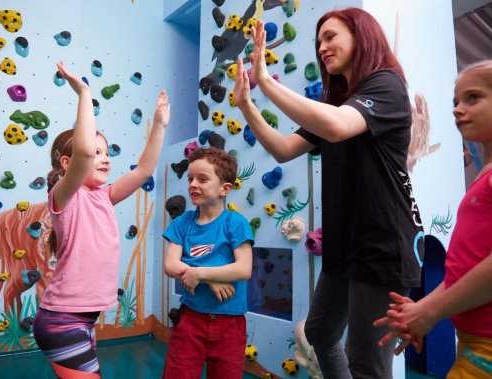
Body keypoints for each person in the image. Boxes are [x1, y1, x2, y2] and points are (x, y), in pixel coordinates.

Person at [233, 8, 424, 379]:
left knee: (367, 363)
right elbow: (284, 148)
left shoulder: (386, 86)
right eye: (318, 40)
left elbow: (338, 128)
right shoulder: (337, 105)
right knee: (320, 332)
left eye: (331, 36)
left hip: (381, 244)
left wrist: (267, 82)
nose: (322, 46)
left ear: (362, 36)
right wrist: (247, 104)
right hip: (345, 243)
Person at [32, 61, 170, 378]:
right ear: (66, 163)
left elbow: (143, 170)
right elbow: (81, 154)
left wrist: (159, 125)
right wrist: (84, 93)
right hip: (61, 321)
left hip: (83, 320)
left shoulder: (102, 196)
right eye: (97, 153)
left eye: (107, 152)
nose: (105, 158)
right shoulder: (65, 197)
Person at [374, 60, 492, 379]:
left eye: (473, 98)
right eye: (455, 101)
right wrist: (419, 312)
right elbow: (466, 270)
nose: (457, 109)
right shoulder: (484, 175)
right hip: (472, 346)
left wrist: (429, 310)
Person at [162, 147, 254, 379]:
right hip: (190, 320)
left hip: (230, 325)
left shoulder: (236, 223)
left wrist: (201, 274)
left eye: (202, 179)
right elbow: (170, 265)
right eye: (190, 178)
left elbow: (243, 269)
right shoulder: (183, 222)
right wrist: (208, 279)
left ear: (225, 188)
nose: (193, 184)